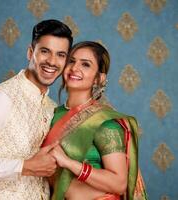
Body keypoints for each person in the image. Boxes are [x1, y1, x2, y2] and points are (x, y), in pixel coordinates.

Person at [0, 19, 73, 200]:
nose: (52, 61)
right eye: (45, 51)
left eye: (61, 55)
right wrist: (24, 166)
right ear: (30, 52)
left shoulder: (52, 108)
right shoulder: (1, 97)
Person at [42, 41, 148, 200]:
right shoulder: (51, 113)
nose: (75, 68)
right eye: (71, 61)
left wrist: (69, 163)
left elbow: (119, 184)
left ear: (99, 78)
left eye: (85, 64)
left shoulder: (104, 123)